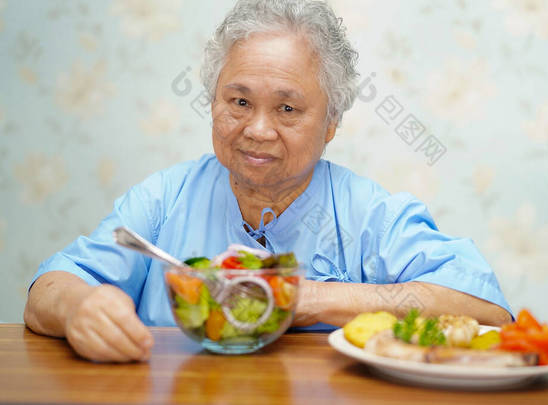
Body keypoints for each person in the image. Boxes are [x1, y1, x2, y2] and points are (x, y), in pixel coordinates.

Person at [24, 0, 512, 363]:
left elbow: (489, 313)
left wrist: (307, 298)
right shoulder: (163, 197)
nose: (257, 129)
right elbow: (48, 289)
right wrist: (78, 308)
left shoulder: (371, 214)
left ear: (331, 124)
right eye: (238, 102)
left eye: (287, 108)